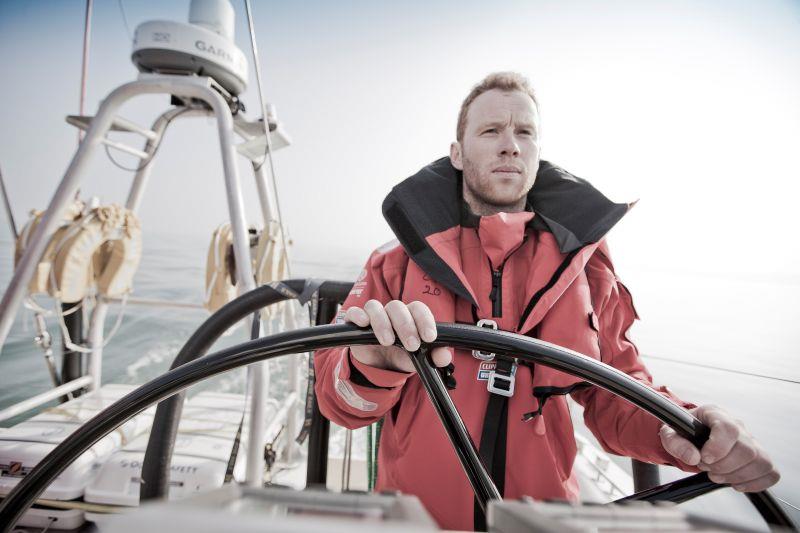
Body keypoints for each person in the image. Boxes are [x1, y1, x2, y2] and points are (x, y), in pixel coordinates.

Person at [313, 72, 779, 531]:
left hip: (540, 523)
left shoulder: (587, 267)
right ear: (457, 153)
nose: (510, 144)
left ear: (536, 155)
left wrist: (679, 426)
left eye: (525, 133)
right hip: (415, 522)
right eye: (491, 130)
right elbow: (338, 402)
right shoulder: (393, 263)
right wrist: (373, 363)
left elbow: (616, 394)